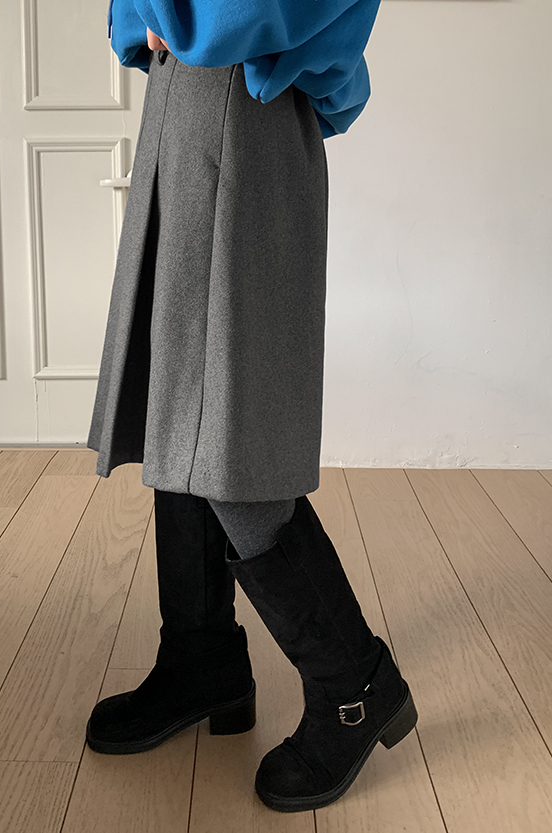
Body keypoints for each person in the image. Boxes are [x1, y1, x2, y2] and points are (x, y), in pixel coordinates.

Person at [86, 0, 417, 813]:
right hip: (181, 107)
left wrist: (166, 10)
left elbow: (243, 13)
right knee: (178, 405)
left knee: (231, 423)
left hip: (242, 115)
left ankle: (354, 681)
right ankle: (201, 655)